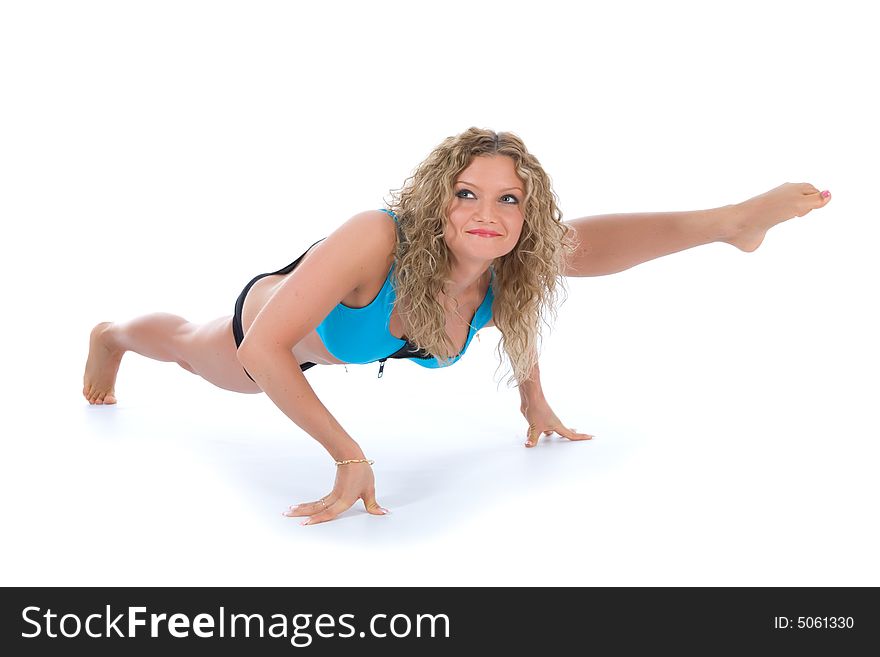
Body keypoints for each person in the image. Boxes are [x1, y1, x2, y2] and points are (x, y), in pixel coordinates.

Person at [82, 127, 832, 525]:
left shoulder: (508, 261)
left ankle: (729, 223)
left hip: (352, 337)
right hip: (271, 330)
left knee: (556, 254)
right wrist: (347, 455)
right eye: (468, 194)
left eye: (510, 200)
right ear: (437, 199)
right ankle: (112, 333)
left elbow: (520, 308)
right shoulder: (375, 237)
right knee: (188, 346)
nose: (486, 214)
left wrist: (532, 396)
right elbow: (264, 347)